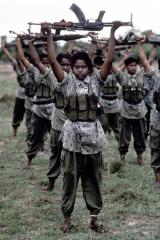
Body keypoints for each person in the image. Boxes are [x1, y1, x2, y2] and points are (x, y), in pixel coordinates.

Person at [42, 21, 122, 233]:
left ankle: (94, 218)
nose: (78, 70)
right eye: (76, 67)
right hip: (72, 137)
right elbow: (52, 60)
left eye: (82, 67)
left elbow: (110, 58)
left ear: (88, 67)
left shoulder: (97, 81)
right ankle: (66, 217)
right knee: (69, 177)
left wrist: (112, 32)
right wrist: (50, 35)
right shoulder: (66, 82)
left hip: (93, 138)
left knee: (93, 178)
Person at [112, 41, 157, 165]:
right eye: (131, 65)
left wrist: (152, 46)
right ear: (126, 66)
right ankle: (122, 156)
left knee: (141, 134)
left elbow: (148, 60)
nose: (133, 67)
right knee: (123, 134)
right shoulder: (122, 76)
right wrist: (107, 50)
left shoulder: (142, 74)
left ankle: (140, 155)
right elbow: (110, 63)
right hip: (125, 108)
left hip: (139, 109)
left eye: (135, 65)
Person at [45, 52, 71, 191]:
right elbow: (40, 62)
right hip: (56, 122)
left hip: (71, 123)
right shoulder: (51, 76)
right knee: (55, 153)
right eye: (63, 65)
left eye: (68, 65)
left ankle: (69, 184)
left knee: (71, 156)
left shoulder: (74, 79)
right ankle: (51, 182)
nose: (66, 67)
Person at [2, 43, 26, 137]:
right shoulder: (17, 64)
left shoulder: (32, 66)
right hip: (20, 93)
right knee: (17, 113)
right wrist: (4, 49)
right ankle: (15, 131)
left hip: (31, 95)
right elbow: (11, 58)